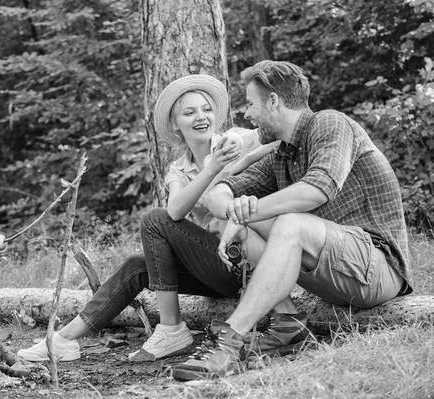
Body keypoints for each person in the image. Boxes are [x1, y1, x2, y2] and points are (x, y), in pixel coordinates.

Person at [165, 60, 412, 381]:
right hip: (334, 273)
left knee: (288, 223)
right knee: (225, 223)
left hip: (378, 269)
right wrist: (234, 212)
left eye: (251, 104)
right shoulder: (282, 156)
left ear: (273, 101)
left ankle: (229, 342)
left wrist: (246, 213)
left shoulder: (330, 124)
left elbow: (317, 189)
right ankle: (288, 324)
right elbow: (217, 197)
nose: (246, 114)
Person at [17, 74, 278, 363]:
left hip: (250, 263)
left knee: (154, 219)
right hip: (214, 266)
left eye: (206, 109)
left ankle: (171, 329)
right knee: (136, 265)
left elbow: (279, 138)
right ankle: (64, 339)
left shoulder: (239, 140)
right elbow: (176, 210)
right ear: (176, 125)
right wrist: (211, 166)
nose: (201, 117)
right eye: (189, 113)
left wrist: (248, 153)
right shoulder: (177, 170)